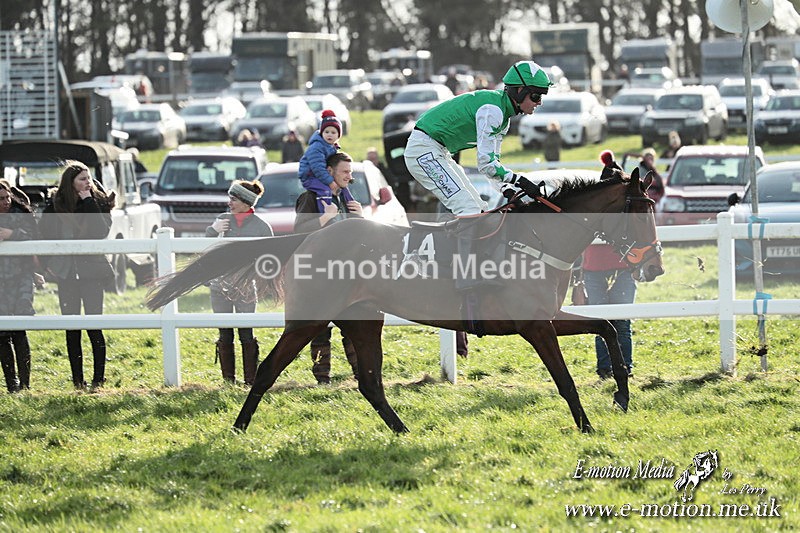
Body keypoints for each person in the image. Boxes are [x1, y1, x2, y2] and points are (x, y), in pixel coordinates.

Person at [402, 60, 551, 315]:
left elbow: (490, 167)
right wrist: (519, 180)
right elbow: (486, 162)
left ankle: (466, 267)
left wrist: (507, 190)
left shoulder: (502, 116)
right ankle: (463, 277)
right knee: (469, 207)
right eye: (536, 96)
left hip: (437, 151)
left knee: (481, 209)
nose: (538, 102)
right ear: (518, 92)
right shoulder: (493, 110)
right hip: (424, 151)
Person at [39, 161, 115, 389]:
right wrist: (47, 265)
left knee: (94, 326)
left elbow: (100, 231)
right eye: (82, 179)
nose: (87, 182)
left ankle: (98, 379)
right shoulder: (55, 206)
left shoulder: (98, 203)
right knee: (72, 328)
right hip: (66, 274)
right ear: (70, 183)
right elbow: (43, 235)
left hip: (92, 272)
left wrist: (88, 201)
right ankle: (77, 381)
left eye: (89, 178)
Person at [294, 152, 361, 383]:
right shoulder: (310, 198)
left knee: (355, 326)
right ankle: (322, 379)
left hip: (347, 274)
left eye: (350, 172)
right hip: (319, 275)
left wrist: (360, 217)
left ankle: (360, 375)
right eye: (344, 171)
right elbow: (299, 231)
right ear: (330, 171)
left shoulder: (347, 198)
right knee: (320, 329)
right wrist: (325, 217)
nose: (348, 176)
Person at [205, 179, 274, 385]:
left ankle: (250, 381)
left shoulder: (262, 227)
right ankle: (228, 381)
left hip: (246, 289)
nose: (229, 203)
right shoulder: (222, 220)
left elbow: (269, 259)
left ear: (246, 202)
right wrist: (213, 230)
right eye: (230, 198)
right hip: (219, 288)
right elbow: (206, 249)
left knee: (246, 333)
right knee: (224, 333)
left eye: (233, 199)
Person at [582, 153, 636, 379]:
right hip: (594, 268)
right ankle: (606, 368)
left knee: (621, 321)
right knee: (602, 322)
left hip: (620, 267)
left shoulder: (628, 208)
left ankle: (623, 367)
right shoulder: (590, 207)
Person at [0, 180, 40, 392]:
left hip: (19, 278)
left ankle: (25, 383)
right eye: (1, 199)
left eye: (7, 197)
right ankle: (11, 383)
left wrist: (11, 235)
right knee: (2, 334)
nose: (6, 202)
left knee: (19, 332)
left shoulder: (20, 213)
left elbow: (33, 237)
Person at [298, 109, 356, 213]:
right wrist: (330, 182)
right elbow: (318, 168)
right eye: (326, 132)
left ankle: (352, 206)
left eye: (333, 132)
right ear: (321, 133)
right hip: (310, 176)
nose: (329, 135)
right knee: (324, 190)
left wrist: (357, 214)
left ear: (338, 136)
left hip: (321, 176)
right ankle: (325, 211)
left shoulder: (331, 147)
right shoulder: (316, 147)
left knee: (344, 189)